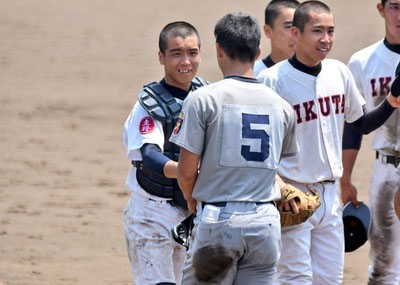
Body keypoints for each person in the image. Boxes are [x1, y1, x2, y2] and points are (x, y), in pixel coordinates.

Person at [257, 1, 400, 283]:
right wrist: (277, 185)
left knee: (330, 279)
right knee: (295, 278)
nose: (326, 39)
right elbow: (262, 147)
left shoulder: (338, 72)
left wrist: (391, 102)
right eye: (317, 31)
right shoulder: (271, 81)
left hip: (330, 196)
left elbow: (360, 124)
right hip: (292, 195)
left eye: (331, 31)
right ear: (296, 34)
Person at [170, 12, 298, 284]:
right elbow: (276, 165)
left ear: (219, 50)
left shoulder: (202, 99)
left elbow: (187, 171)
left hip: (219, 220)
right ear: (258, 51)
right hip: (265, 222)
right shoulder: (282, 107)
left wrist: (192, 199)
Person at [122, 21, 208, 285]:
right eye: (176, 54)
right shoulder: (149, 104)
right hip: (152, 214)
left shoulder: (207, 95)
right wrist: (184, 170)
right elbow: (149, 155)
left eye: (192, 53)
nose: (186, 61)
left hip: (192, 213)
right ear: (161, 57)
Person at [341, 0, 400, 283]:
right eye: (396, 7)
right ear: (381, 9)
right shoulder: (363, 61)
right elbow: (353, 125)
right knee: (383, 265)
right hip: (386, 170)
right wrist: (346, 176)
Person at [254, 0, 299, 77]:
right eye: (288, 27)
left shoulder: (321, 73)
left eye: (300, 26)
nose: (297, 33)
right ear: (268, 31)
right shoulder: (253, 74)